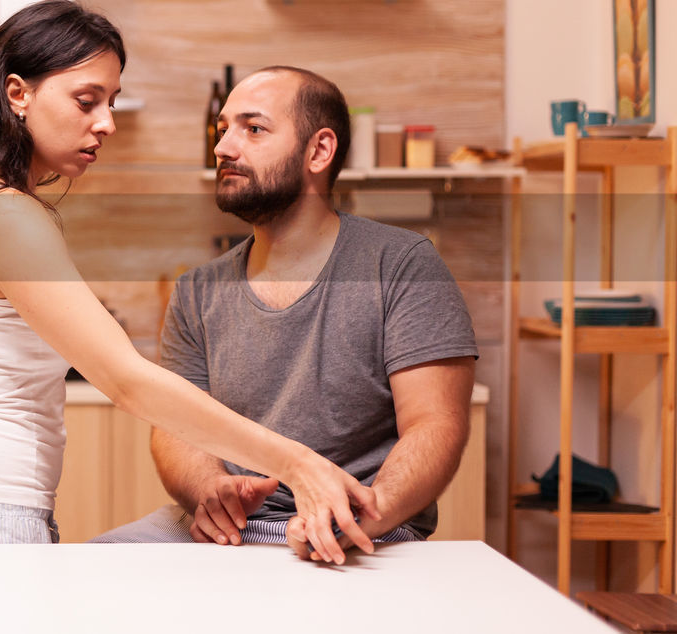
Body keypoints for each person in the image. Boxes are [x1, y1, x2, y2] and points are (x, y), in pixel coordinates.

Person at [0, 1, 379, 561]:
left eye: (110, 102)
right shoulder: (9, 214)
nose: (106, 122)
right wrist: (296, 463)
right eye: (87, 101)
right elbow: (127, 381)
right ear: (19, 94)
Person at [93, 66, 478, 556]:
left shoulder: (401, 265)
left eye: (253, 129)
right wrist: (207, 490)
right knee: (85, 575)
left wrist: (361, 513)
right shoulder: (196, 290)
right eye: (223, 129)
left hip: (366, 529)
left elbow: (435, 424)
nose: (224, 147)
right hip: (230, 531)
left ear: (319, 151)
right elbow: (175, 428)